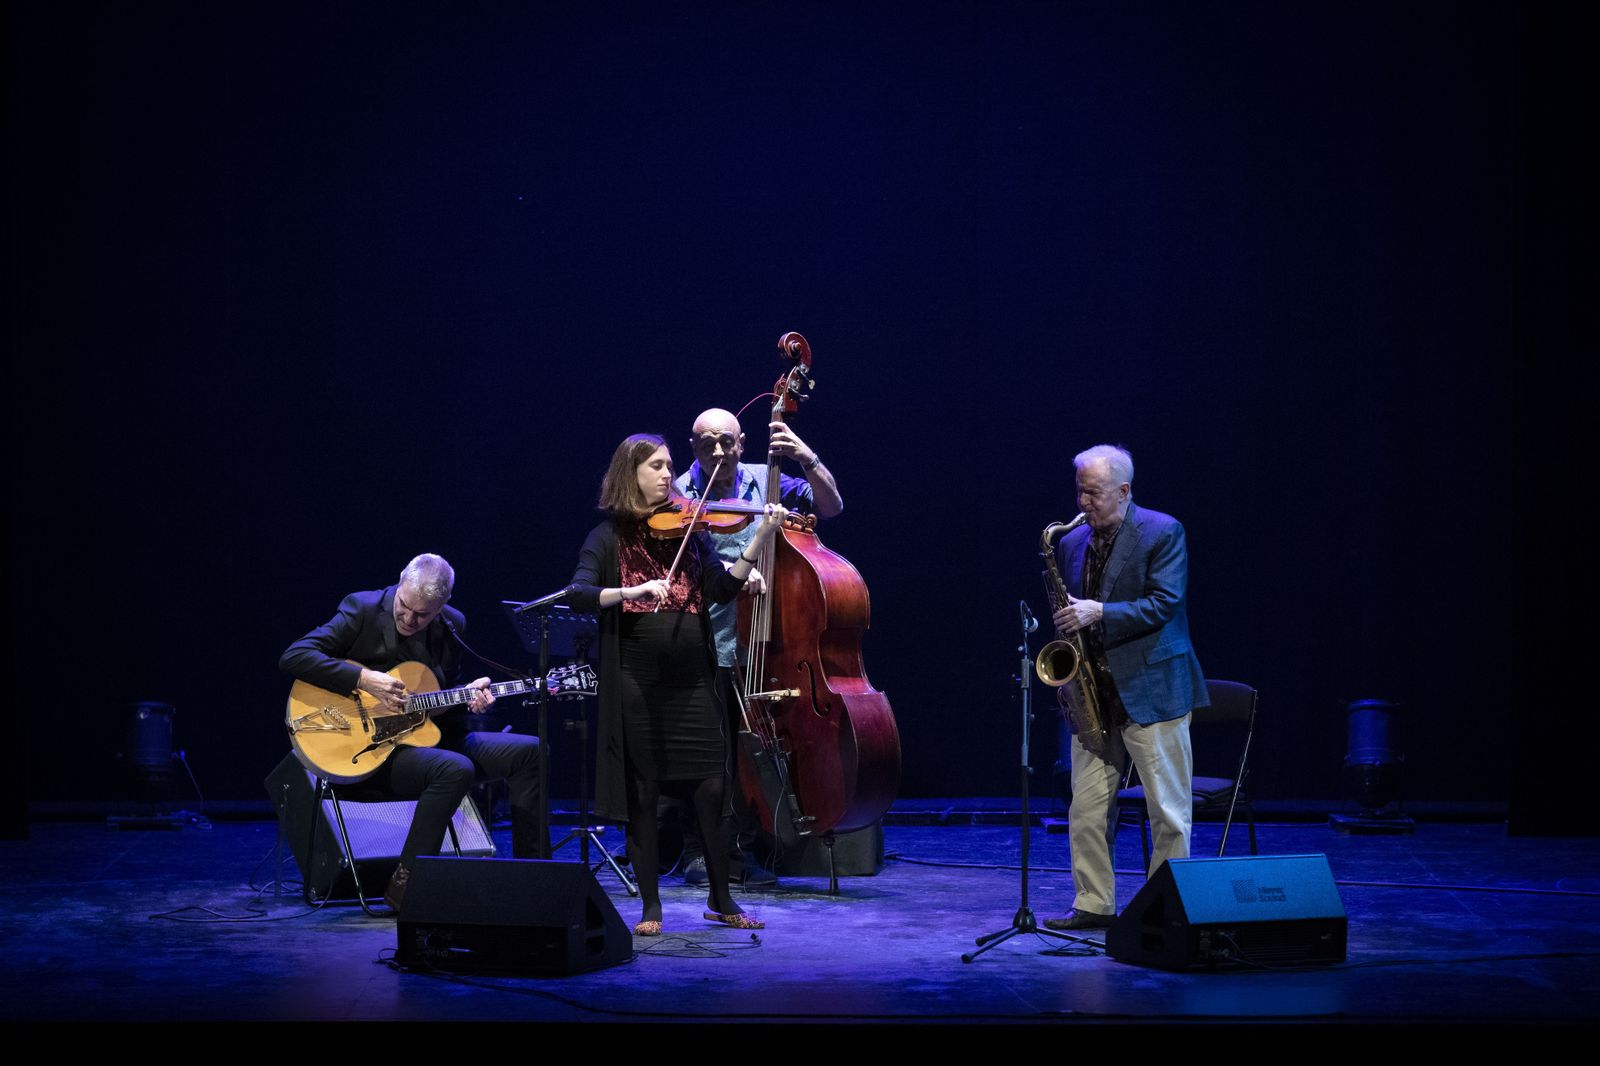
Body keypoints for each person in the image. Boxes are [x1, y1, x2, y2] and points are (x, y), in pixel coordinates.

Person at [569, 433, 787, 935]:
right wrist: (633, 591)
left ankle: (721, 898)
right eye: (657, 466)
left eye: (670, 466)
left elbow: (721, 589)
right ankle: (651, 907)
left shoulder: (692, 531)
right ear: (630, 474)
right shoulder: (607, 537)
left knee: (712, 788)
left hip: (693, 682)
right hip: (638, 682)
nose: (669, 474)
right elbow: (579, 594)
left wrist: (759, 537)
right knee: (645, 793)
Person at [280, 553, 545, 911]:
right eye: (404, 606)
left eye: (423, 615)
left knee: (531, 752)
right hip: (368, 756)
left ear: (441, 606)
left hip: (426, 741)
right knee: (455, 769)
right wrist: (363, 679)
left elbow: (437, 703)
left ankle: (536, 879)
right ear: (401, 583)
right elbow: (295, 656)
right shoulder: (362, 609)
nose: (409, 618)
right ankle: (406, 884)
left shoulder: (452, 625)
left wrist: (469, 697)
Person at [670, 407, 843, 885]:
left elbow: (831, 506)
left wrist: (806, 457)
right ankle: (698, 853)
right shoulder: (680, 495)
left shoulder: (767, 481)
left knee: (752, 752)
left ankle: (751, 845)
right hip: (707, 638)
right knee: (710, 754)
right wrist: (732, 576)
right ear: (693, 447)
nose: (719, 452)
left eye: (727, 441)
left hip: (767, 642)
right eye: (708, 443)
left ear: (742, 442)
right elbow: (673, 573)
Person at [1045, 445, 1208, 931]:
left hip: (1152, 688)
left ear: (1123, 491)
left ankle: (1163, 911)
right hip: (1095, 695)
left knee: (1168, 813)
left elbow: (1165, 604)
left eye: (1093, 493)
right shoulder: (1072, 542)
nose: (1083, 503)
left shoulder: (1163, 531)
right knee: (1087, 808)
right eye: (1080, 491)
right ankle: (1093, 903)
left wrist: (1099, 612)